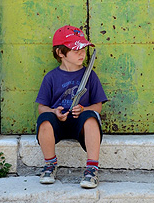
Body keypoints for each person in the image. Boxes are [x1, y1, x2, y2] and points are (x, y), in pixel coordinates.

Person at [35, 25, 108, 189]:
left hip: (80, 125)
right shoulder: (51, 77)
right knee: (44, 119)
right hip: (58, 124)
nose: (82, 53)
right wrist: (53, 111)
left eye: (83, 49)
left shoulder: (89, 76)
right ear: (60, 53)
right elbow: (41, 107)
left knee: (91, 118)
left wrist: (84, 109)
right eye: (76, 50)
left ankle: (92, 169)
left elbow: (98, 106)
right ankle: (50, 165)